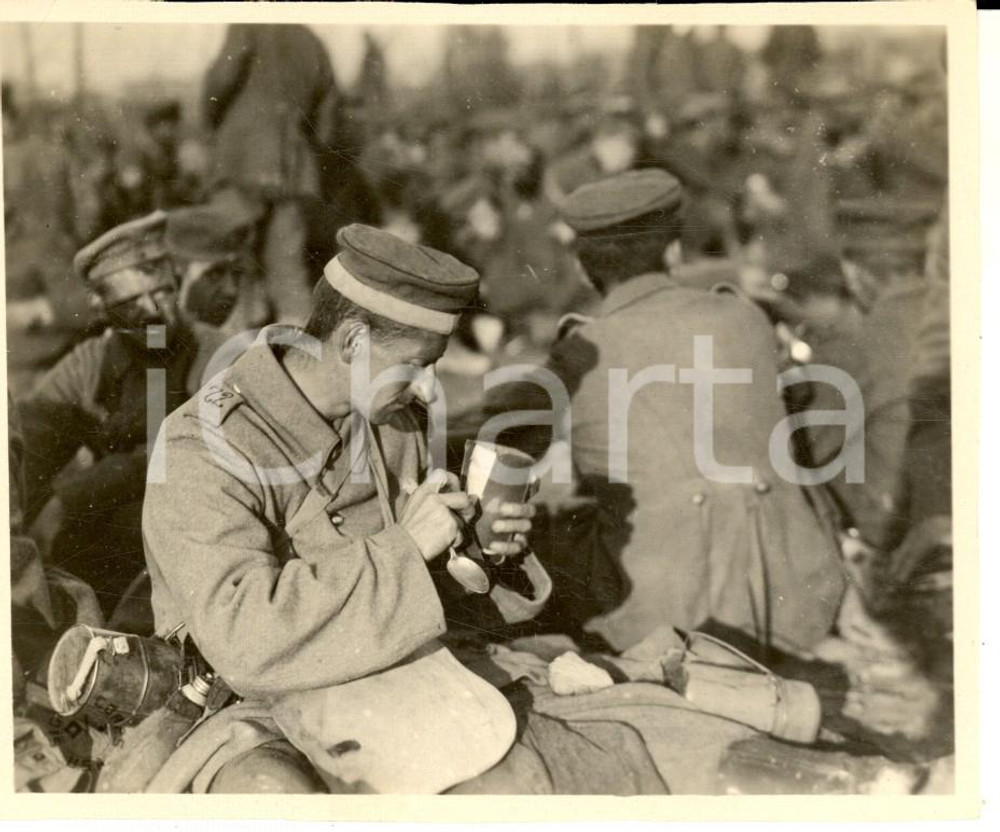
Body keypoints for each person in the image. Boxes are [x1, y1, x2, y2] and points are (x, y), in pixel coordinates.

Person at [140, 224, 539, 793]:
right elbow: (244, 641)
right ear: (352, 342)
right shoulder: (200, 447)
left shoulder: (390, 419)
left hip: (397, 676)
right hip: (261, 707)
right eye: (418, 363)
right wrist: (405, 548)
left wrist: (479, 549)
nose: (428, 389)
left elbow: (425, 593)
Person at [495, 169, 846, 656]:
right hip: (797, 600)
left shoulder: (583, 349)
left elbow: (491, 436)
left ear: (582, 267)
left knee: (541, 531)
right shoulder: (746, 316)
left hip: (666, 619)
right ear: (674, 251)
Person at [17, 212, 228, 615]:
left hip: (188, 533)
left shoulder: (213, 354)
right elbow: (31, 436)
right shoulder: (91, 364)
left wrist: (69, 497)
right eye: (131, 303)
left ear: (177, 283)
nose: (153, 311)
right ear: (102, 308)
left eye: (161, 292)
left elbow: (169, 457)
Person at [202, 23, 339, 325]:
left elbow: (223, 78)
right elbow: (329, 109)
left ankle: (223, 353)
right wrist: (306, 146)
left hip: (242, 157)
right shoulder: (311, 41)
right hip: (292, 165)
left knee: (226, 260)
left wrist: (213, 124)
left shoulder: (248, 25)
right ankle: (299, 355)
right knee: (288, 268)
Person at [165, 194, 262, 331]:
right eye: (214, 275)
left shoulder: (227, 345)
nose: (232, 291)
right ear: (175, 275)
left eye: (236, 275)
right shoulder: (154, 339)